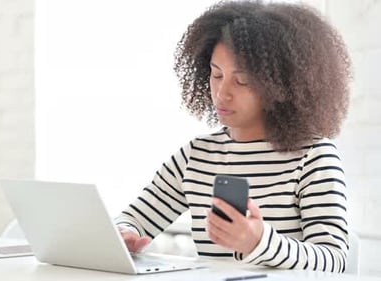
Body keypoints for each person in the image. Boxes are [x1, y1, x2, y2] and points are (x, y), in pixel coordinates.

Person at [115, 0, 351, 273]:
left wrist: (260, 242)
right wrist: (126, 233)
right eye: (216, 74)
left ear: (284, 86)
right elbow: (135, 218)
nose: (221, 93)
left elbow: (335, 260)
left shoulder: (313, 156)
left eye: (242, 81)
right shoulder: (196, 155)